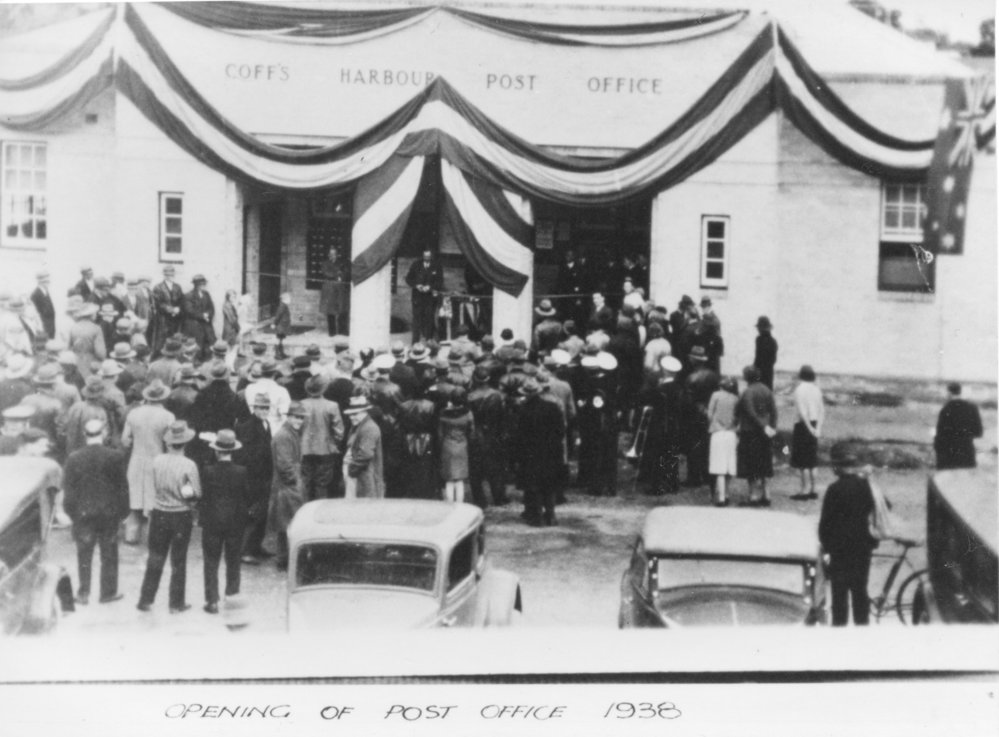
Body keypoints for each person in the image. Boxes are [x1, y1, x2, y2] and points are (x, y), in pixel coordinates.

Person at [137, 420, 201, 613]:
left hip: (159, 514)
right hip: (181, 515)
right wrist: (188, 498)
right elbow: (196, 493)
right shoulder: (189, 465)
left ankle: (145, 600)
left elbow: (151, 485)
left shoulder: (157, 461)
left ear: (168, 443)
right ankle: (176, 603)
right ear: (186, 443)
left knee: (155, 558)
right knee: (178, 561)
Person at [62, 418, 128, 605]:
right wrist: (123, 512)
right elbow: (122, 487)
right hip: (109, 513)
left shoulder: (74, 457)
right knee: (109, 553)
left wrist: (72, 513)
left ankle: (83, 593)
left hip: (83, 513)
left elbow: (69, 490)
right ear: (104, 433)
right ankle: (107, 593)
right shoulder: (115, 457)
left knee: (84, 553)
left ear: (84, 434)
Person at [819, 443, 881, 626]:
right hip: (862, 548)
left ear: (838, 467)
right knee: (860, 591)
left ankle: (840, 632)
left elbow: (825, 524)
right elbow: (885, 506)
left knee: (839, 596)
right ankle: (862, 630)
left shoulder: (834, 489)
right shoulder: (865, 486)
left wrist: (827, 547)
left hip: (839, 551)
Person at [120, 379, 175, 544]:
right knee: (154, 501)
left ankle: (131, 535)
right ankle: (154, 537)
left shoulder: (134, 413)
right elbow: (171, 442)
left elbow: (125, 440)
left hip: (136, 459)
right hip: (157, 459)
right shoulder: (167, 416)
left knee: (135, 499)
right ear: (163, 398)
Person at [201, 429, 249, 614]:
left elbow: (204, 496)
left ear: (216, 450)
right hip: (235, 522)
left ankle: (212, 601)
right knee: (233, 560)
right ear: (233, 451)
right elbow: (246, 496)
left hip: (212, 521)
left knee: (211, 561)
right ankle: (232, 596)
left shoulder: (208, 471)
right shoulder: (241, 472)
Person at [515, 378, 564, 526]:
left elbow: (519, 435)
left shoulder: (523, 410)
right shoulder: (552, 407)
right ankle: (551, 515)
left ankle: (537, 517)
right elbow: (561, 430)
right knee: (549, 484)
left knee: (534, 484)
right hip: (551, 450)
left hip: (531, 452)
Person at [234, 394, 275, 564]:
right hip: (252, 477)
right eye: (261, 407)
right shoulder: (247, 427)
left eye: (266, 408)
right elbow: (244, 455)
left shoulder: (266, 424)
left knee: (262, 514)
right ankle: (245, 551)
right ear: (254, 408)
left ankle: (256, 546)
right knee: (252, 514)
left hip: (264, 476)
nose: (264, 410)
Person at [638, 356, 684, 495]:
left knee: (658, 455)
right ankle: (672, 484)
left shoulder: (660, 389)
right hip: (674, 425)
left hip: (660, 425)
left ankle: (657, 486)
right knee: (671, 454)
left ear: (665, 371)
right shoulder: (679, 388)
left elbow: (648, 400)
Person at [269, 401, 307, 571]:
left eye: (301, 418)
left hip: (287, 484)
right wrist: (295, 481)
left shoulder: (289, 433)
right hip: (287, 487)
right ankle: (286, 560)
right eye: (296, 417)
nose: (299, 421)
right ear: (289, 417)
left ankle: (284, 559)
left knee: (286, 523)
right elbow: (284, 465)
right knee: (289, 524)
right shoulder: (285, 435)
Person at [736, 365, 778, 507]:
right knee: (765, 462)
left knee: (751, 464)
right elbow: (774, 411)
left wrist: (762, 426)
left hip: (750, 432)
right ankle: (766, 494)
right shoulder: (767, 390)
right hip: (765, 433)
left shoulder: (748, 391)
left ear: (747, 377)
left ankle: (753, 496)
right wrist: (772, 427)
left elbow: (750, 411)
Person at [300, 375, 345, 501]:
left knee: (305, 483)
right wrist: (335, 443)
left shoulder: (302, 404)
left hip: (304, 448)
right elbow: (339, 430)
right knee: (322, 484)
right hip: (325, 449)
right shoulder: (332, 405)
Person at [790, 365, 825, 500]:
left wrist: (809, 427)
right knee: (812, 459)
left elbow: (802, 411)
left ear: (801, 375)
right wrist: (818, 428)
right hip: (816, 422)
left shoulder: (799, 389)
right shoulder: (817, 390)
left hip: (802, 425)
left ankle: (804, 490)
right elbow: (822, 410)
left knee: (802, 460)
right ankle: (813, 489)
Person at [934, 382, 983, 470]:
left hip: (949, 455)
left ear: (949, 393)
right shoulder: (972, 408)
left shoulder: (946, 409)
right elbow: (978, 432)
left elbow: (941, 435)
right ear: (960, 392)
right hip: (967, 453)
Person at [343, 395, 384, 499]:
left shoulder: (369, 428)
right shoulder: (358, 425)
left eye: (355, 414)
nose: (352, 417)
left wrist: (352, 470)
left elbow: (366, 454)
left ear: (365, 412)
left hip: (363, 474)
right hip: (357, 473)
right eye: (351, 414)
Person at [706, 376, 739, 506]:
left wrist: (714, 423)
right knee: (729, 465)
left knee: (719, 465)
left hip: (717, 432)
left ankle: (720, 498)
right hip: (731, 433)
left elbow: (709, 413)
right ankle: (726, 493)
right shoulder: (736, 398)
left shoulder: (715, 395)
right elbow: (738, 418)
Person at [438, 387, 474, 503]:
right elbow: (472, 432)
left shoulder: (443, 414)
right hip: (462, 446)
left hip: (447, 446)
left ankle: (449, 504)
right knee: (460, 479)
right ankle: (460, 505)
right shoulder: (468, 414)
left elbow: (440, 434)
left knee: (449, 479)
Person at [405, 249, 443, 343]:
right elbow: (408, 279)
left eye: (428, 256)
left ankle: (429, 340)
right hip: (417, 297)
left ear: (431, 256)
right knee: (417, 319)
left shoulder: (437, 266)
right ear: (422, 256)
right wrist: (416, 285)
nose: (427, 258)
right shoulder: (416, 265)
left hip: (430, 298)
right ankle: (415, 342)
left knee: (429, 318)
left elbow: (440, 281)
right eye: (425, 256)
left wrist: (430, 287)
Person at [151, 265, 184, 357]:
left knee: (175, 337)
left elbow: (181, 300)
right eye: (167, 274)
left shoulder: (177, 287)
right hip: (163, 318)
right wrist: (171, 310)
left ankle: (174, 355)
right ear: (164, 275)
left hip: (176, 318)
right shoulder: (158, 287)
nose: (170, 276)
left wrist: (178, 308)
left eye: (171, 274)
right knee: (162, 338)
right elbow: (158, 303)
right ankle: (161, 356)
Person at [68, 302, 106, 379]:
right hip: (91, 363)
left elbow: (69, 347)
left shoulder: (73, 328)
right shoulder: (96, 328)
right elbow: (100, 353)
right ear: (91, 315)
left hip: (77, 361)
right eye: (95, 313)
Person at [183, 275, 216, 361]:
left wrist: (208, 315)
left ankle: (206, 363)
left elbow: (211, 308)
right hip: (194, 324)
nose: (203, 286)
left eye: (204, 284)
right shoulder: (188, 295)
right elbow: (189, 310)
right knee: (197, 345)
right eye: (200, 284)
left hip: (206, 324)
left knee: (209, 343)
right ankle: (196, 363)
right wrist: (202, 316)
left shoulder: (206, 294)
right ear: (195, 285)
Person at [320, 248, 351, 336]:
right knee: (330, 311)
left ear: (337, 254)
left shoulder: (341, 263)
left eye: (334, 254)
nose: (332, 255)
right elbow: (326, 273)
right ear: (328, 255)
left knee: (342, 309)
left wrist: (340, 275)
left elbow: (345, 273)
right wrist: (337, 274)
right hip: (329, 290)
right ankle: (332, 332)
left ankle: (342, 330)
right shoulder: (325, 263)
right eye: (331, 254)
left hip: (339, 289)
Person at [753, 316, 778, 391]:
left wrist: (755, 369)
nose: (757, 329)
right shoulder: (773, 341)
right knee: (767, 391)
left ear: (761, 328)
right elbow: (773, 360)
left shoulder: (759, 339)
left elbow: (758, 358)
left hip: (759, 371)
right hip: (769, 371)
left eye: (759, 327)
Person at [31, 269, 56, 339]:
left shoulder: (45, 291)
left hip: (51, 325)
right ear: (40, 282)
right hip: (44, 326)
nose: (48, 283)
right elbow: (37, 313)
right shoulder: (35, 294)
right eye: (46, 281)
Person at [271, 292, 292, 360]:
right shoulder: (282, 306)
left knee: (281, 340)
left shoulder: (284, 306)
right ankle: (277, 354)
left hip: (283, 326)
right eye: (289, 298)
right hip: (281, 327)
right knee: (278, 340)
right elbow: (278, 316)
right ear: (285, 299)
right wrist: (274, 323)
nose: (290, 300)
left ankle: (282, 353)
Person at [222, 289, 241, 353]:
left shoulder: (230, 305)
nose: (234, 298)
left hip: (232, 329)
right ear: (228, 297)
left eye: (235, 297)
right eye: (232, 297)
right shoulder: (227, 306)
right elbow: (232, 319)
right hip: (230, 329)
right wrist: (237, 327)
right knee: (231, 347)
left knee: (232, 346)